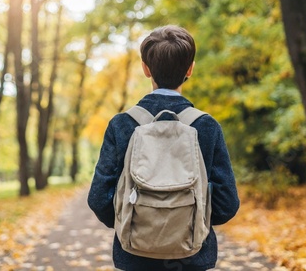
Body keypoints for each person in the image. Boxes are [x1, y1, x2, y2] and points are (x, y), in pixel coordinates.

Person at [87, 25, 240, 271]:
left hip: (134, 256)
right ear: (190, 69)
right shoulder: (207, 126)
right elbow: (227, 204)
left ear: (145, 68)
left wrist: (130, 222)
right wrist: (192, 220)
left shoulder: (122, 124)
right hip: (193, 256)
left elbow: (98, 198)